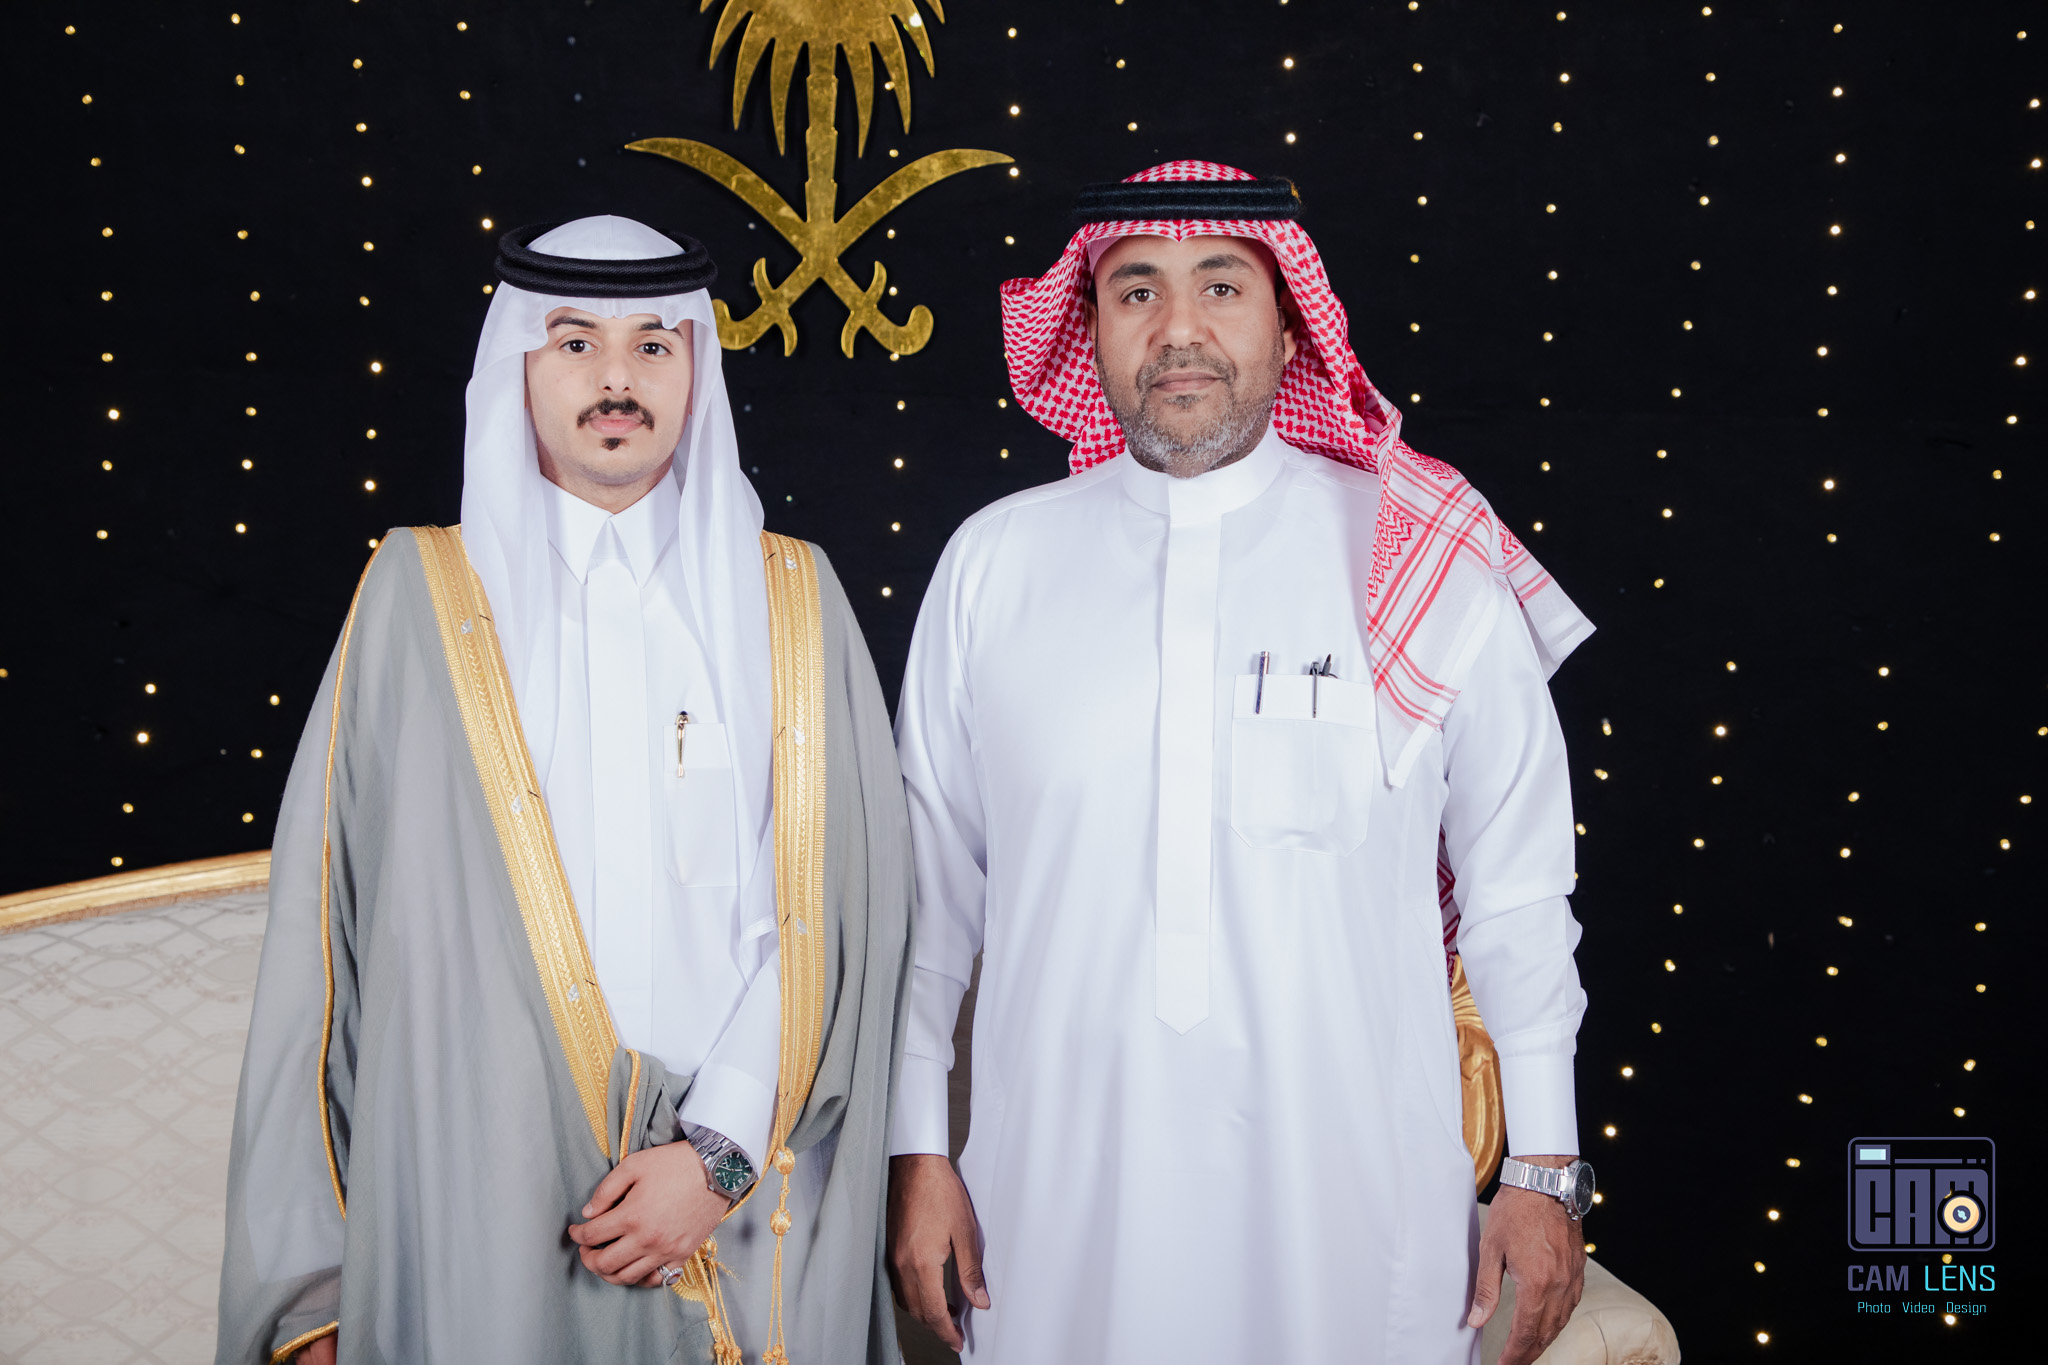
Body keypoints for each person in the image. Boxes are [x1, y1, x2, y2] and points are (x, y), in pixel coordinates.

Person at [886, 162, 1597, 1364]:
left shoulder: (1421, 563)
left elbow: (1518, 895)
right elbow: (928, 903)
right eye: (1135, 292)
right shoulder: (993, 566)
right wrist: (917, 1149)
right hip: (1051, 1204)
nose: (1178, 330)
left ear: (1289, 325)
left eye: (1220, 286)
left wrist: (1543, 1168)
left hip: (1352, 1205)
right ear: (1088, 329)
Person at [216, 217, 913, 1365]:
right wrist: (317, 1293)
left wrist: (719, 1155)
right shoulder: (416, 597)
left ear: (694, 369)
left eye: (653, 346)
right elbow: (326, 954)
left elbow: (844, 909)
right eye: (576, 343)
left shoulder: (792, 597)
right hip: (476, 1195)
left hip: (742, 1204)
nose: (615, 380)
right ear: (518, 368)